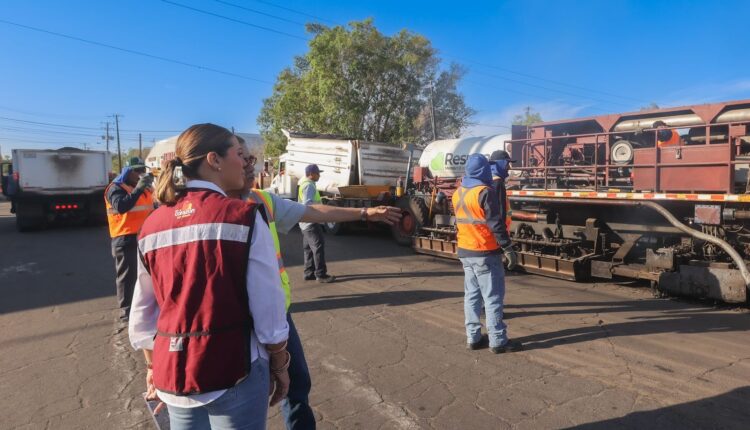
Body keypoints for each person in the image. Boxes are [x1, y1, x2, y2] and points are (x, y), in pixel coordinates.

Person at [229, 138, 401, 430]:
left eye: (251, 158)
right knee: (242, 397)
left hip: (277, 314)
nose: (251, 165)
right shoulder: (204, 213)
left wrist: (363, 212)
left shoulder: (262, 199)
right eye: (243, 157)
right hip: (234, 320)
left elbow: (310, 211)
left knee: (296, 384)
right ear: (216, 162)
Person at [129, 124, 290, 429]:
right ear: (214, 160)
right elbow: (268, 307)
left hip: (173, 375)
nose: (245, 162)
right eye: (238, 153)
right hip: (235, 369)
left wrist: (153, 365)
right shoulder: (243, 216)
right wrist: (280, 364)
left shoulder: (152, 225)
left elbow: (142, 313)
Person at [452, 154, 522, 354]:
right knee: (492, 298)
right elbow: (496, 224)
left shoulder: (458, 192)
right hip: (484, 251)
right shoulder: (485, 192)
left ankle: (473, 338)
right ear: (483, 170)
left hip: (465, 251)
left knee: (472, 296)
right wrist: (508, 248)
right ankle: (498, 341)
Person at [105, 156, 155, 326]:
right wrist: (139, 189)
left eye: (144, 170)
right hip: (124, 238)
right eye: (138, 170)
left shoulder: (145, 189)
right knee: (127, 276)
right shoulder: (116, 188)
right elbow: (122, 207)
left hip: (145, 237)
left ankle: (144, 306)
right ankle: (126, 310)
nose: (142, 174)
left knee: (146, 275)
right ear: (129, 171)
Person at [298, 164, 335, 283]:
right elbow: (308, 203)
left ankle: (309, 273)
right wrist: (321, 207)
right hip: (310, 222)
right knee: (318, 246)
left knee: (308, 248)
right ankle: (321, 275)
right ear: (311, 174)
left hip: (305, 222)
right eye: (318, 173)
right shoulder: (309, 185)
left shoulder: (306, 184)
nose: (319, 175)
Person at [489, 150, 514, 234]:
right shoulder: (497, 183)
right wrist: (502, 234)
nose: (509, 168)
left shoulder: (488, 180)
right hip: (498, 232)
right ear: (500, 164)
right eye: (507, 164)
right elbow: (500, 211)